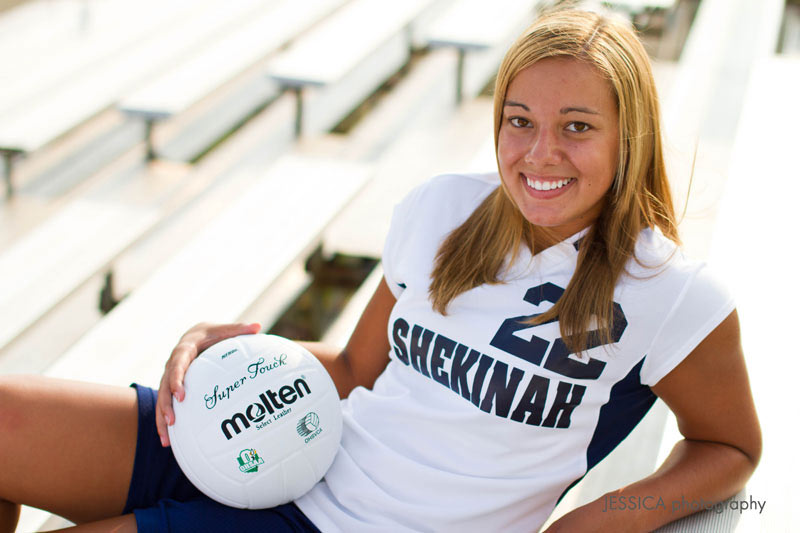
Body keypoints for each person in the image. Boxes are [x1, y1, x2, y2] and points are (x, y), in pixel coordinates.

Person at [0, 8, 760, 533]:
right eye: (519, 120)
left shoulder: (671, 293)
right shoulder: (440, 211)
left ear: (631, 136)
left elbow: (731, 447)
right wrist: (215, 349)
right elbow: (355, 366)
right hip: (293, 444)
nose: (539, 153)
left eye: (578, 127)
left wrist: (604, 517)